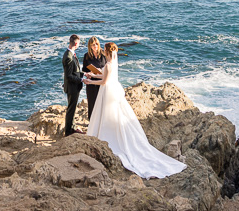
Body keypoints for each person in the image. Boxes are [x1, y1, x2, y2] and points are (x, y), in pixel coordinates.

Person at [84, 42, 186, 178]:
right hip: (112, 90)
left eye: (104, 50)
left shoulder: (108, 65)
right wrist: (93, 75)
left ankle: (107, 136)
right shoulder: (112, 64)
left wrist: (90, 82)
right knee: (114, 115)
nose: (102, 51)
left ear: (107, 52)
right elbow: (104, 76)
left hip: (107, 91)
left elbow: (104, 82)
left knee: (109, 115)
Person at [61, 34, 86, 136]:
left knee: (73, 108)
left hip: (73, 86)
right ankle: (68, 132)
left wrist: (84, 74)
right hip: (72, 87)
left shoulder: (70, 54)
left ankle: (72, 127)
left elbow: (75, 71)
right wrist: (81, 79)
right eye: (79, 43)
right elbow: (69, 76)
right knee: (71, 109)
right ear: (76, 43)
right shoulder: (68, 57)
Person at [82, 36, 106, 119]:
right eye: (93, 45)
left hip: (102, 81)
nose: (95, 46)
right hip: (91, 82)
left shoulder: (103, 54)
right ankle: (92, 121)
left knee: (102, 102)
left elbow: (108, 68)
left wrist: (101, 70)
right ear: (90, 46)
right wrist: (88, 73)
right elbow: (84, 69)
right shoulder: (87, 56)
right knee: (92, 102)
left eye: (96, 44)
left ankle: (102, 120)